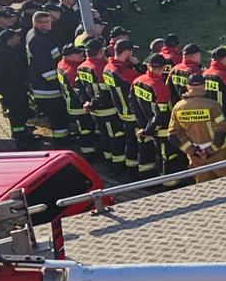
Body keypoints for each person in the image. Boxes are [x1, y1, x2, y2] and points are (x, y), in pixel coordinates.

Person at [131, 54, 182, 179]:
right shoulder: (160, 87)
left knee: (149, 155)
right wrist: (149, 129)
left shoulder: (137, 81)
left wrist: (144, 126)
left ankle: (147, 180)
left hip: (145, 126)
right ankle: (169, 184)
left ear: (148, 66)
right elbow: (161, 115)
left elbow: (133, 104)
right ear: (164, 67)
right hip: (161, 130)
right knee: (167, 157)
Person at [170, 72, 226, 176]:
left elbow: (173, 135)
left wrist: (194, 151)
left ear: (188, 87)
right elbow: (221, 131)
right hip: (219, 155)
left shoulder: (178, 108)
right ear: (204, 86)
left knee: (204, 184)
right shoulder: (213, 106)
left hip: (196, 159)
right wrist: (210, 150)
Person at [25, 11, 70, 146]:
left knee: (58, 115)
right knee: (58, 116)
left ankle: (62, 137)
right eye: (45, 22)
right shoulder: (37, 41)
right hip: (48, 88)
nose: (50, 24)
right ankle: (61, 141)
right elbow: (45, 68)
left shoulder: (39, 36)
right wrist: (59, 84)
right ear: (36, 24)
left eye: (50, 21)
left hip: (46, 86)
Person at [105, 41, 149, 175]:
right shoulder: (126, 73)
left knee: (126, 141)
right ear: (126, 52)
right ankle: (135, 172)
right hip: (132, 114)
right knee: (135, 144)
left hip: (120, 111)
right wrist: (138, 65)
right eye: (131, 52)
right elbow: (144, 81)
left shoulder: (108, 68)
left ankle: (125, 170)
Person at [78, 39, 120, 170]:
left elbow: (81, 89)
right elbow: (104, 92)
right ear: (100, 52)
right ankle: (116, 165)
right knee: (115, 137)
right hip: (108, 110)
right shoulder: (101, 68)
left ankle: (108, 161)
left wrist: (87, 103)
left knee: (103, 136)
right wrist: (92, 103)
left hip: (94, 111)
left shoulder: (81, 67)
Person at [0, 29, 35, 147]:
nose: (19, 38)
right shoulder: (4, 54)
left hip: (17, 87)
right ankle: (19, 136)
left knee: (22, 111)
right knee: (17, 113)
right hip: (12, 90)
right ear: (9, 39)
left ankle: (23, 131)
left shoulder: (11, 51)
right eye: (16, 36)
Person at [56, 45, 96, 158]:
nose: (81, 55)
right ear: (68, 56)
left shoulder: (61, 64)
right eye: (77, 53)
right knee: (85, 131)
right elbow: (79, 91)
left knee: (84, 129)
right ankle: (89, 155)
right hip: (78, 107)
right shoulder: (72, 70)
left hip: (71, 103)